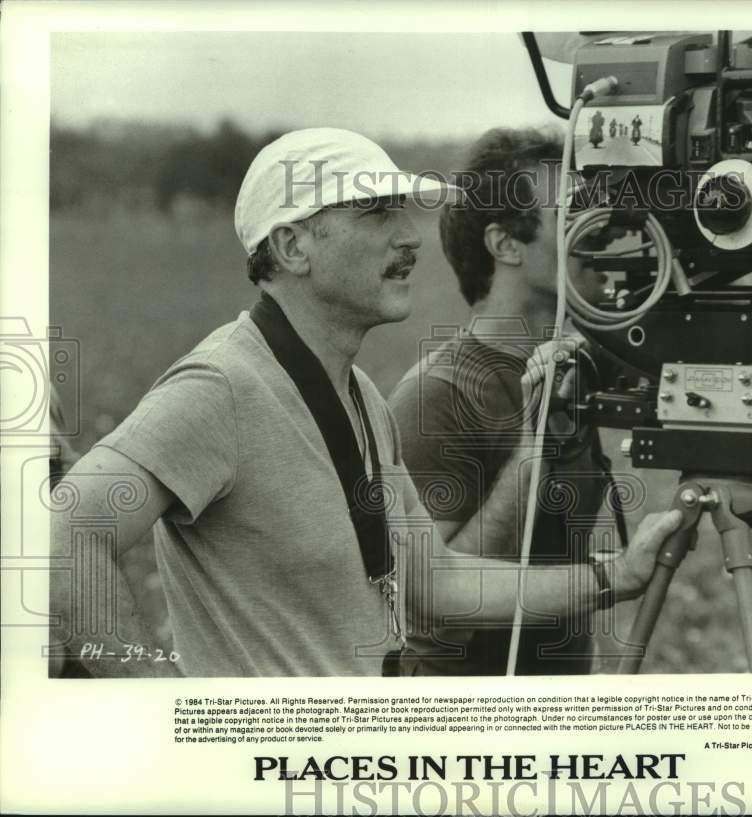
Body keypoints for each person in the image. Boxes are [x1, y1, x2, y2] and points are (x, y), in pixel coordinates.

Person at [49, 128, 682, 677]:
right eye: (375, 213)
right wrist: (158, 710)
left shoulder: (360, 397)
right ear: (294, 247)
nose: (409, 237)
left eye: (404, 213)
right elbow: (61, 540)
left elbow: (433, 582)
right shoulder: (220, 386)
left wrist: (613, 577)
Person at [388, 127, 620, 675]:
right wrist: (535, 448)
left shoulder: (573, 369)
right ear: (505, 244)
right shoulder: (437, 394)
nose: (600, 237)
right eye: (573, 218)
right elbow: (438, 605)